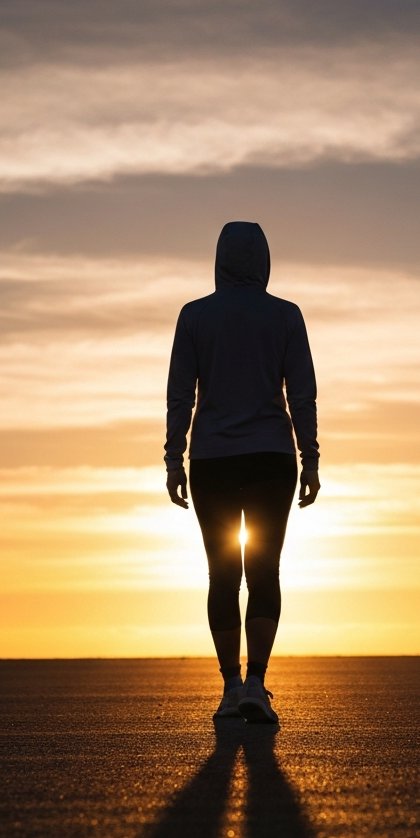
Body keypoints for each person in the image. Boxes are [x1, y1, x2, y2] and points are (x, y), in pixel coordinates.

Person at [165, 222, 320, 724]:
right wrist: (311, 457)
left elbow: (179, 396)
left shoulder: (194, 317)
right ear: (264, 259)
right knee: (265, 572)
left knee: (222, 575)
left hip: (211, 460)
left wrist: (173, 459)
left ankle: (232, 686)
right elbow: (302, 395)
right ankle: (256, 681)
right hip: (272, 458)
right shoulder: (286, 317)